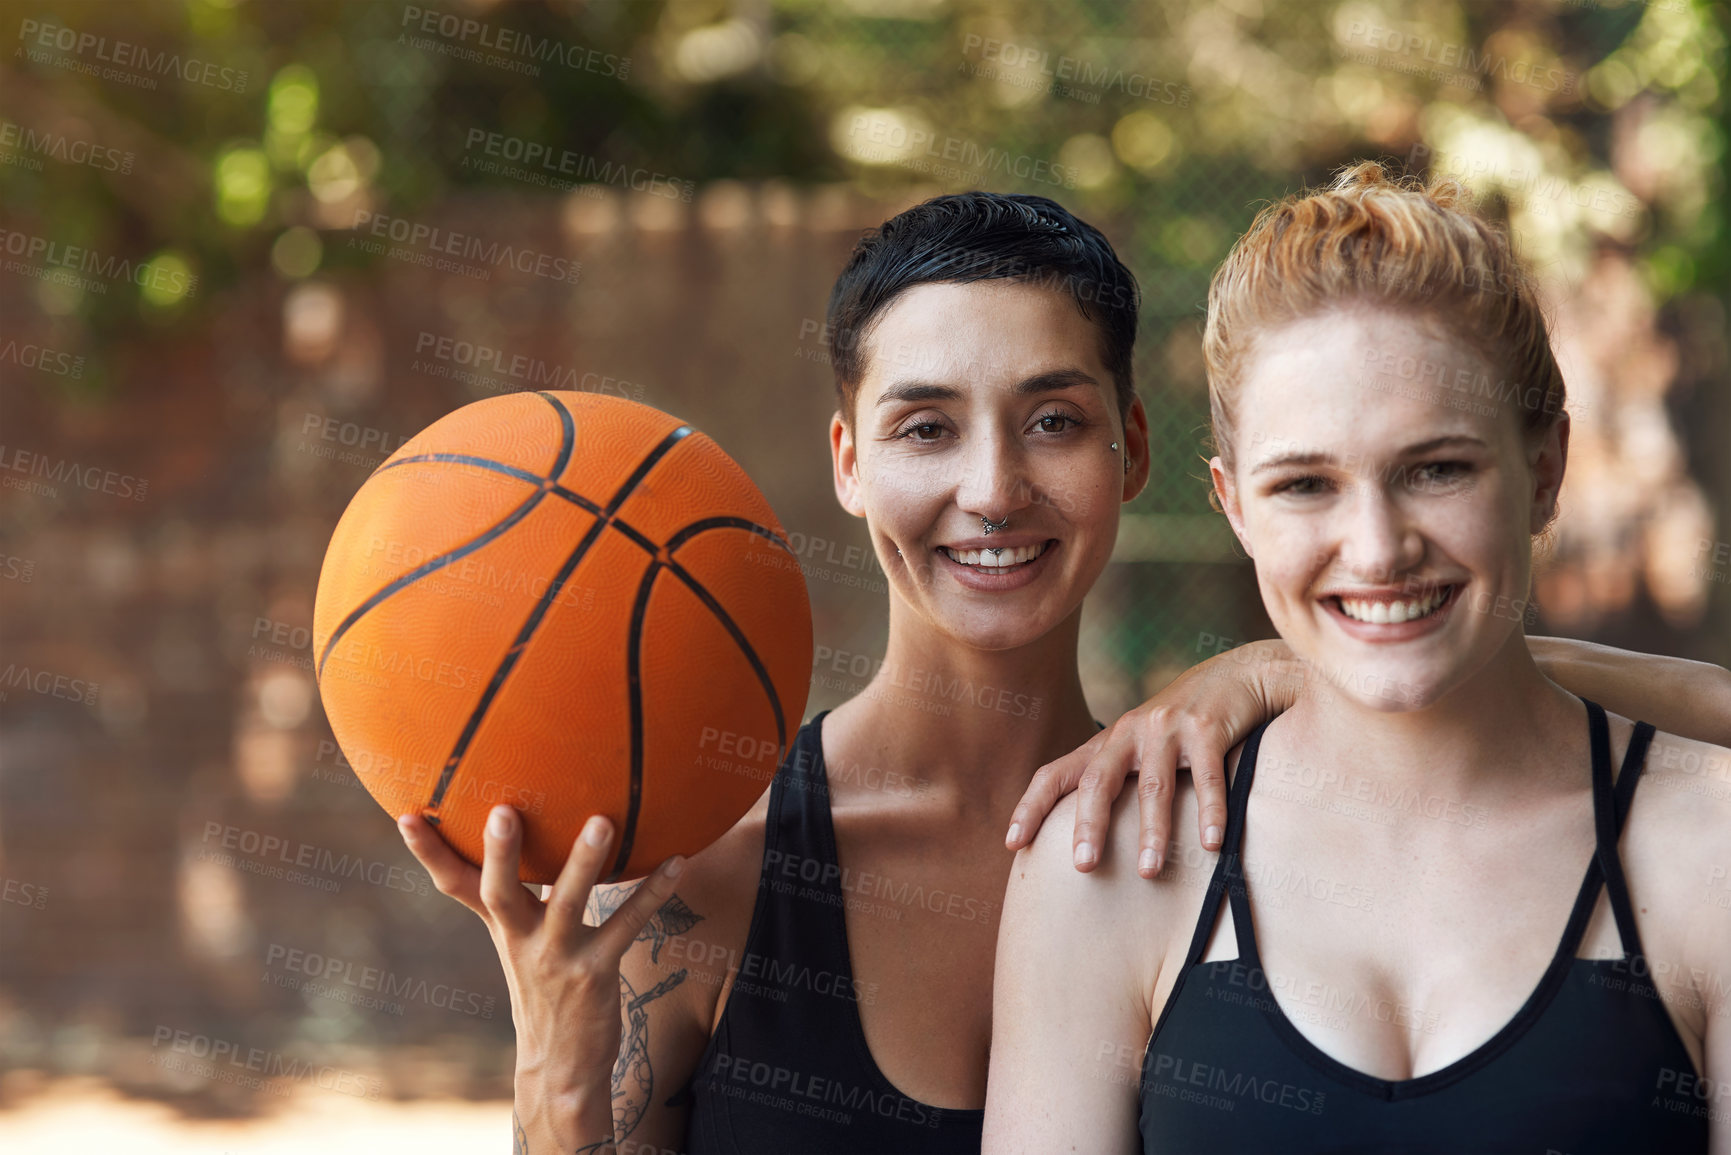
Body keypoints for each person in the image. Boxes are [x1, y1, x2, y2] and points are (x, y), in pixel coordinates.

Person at [396, 189, 1727, 1155]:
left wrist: (1280, 663)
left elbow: (1437, 661)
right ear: (848, 459)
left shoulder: (1173, 803)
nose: (991, 487)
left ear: (1134, 454)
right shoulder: (707, 884)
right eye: (924, 425)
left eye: (1052, 419)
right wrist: (555, 1073)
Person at [983, 164, 1730, 1154]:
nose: (1377, 547)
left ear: (1543, 471)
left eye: (1437, 468)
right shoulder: (1109, 863)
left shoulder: (1708, 849)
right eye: (1305, 485)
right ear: (1234, 504)